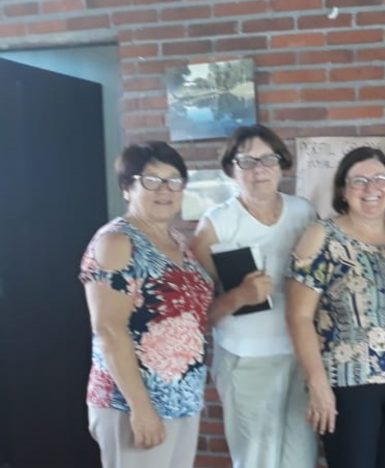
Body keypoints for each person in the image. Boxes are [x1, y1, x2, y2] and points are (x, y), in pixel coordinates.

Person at [288, 147, 385, 468]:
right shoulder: (322, 236)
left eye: (380, 178)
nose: (371, 188)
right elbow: (298, 316)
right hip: (349, 384)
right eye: (359, 181)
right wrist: (317, 383)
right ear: (343, 190)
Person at [190, 125, 318, 468]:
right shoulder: (216, 224)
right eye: (246, 161)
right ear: (231, 169)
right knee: (257, 461)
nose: (259, 170)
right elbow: (196, 314)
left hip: (299, 354)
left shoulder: (303, 213)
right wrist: (239, 297)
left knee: (301, 459)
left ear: (282, 165)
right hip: (246, 359)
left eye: (268, 159)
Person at [80, 142, 214, 468]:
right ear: (127, 188)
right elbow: (109, 329)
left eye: (174, 180)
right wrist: (141, 407)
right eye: (152, 180)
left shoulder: (178, 241)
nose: (165, 190)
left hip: (182, 399)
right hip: (132, 402)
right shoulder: (117, 241)